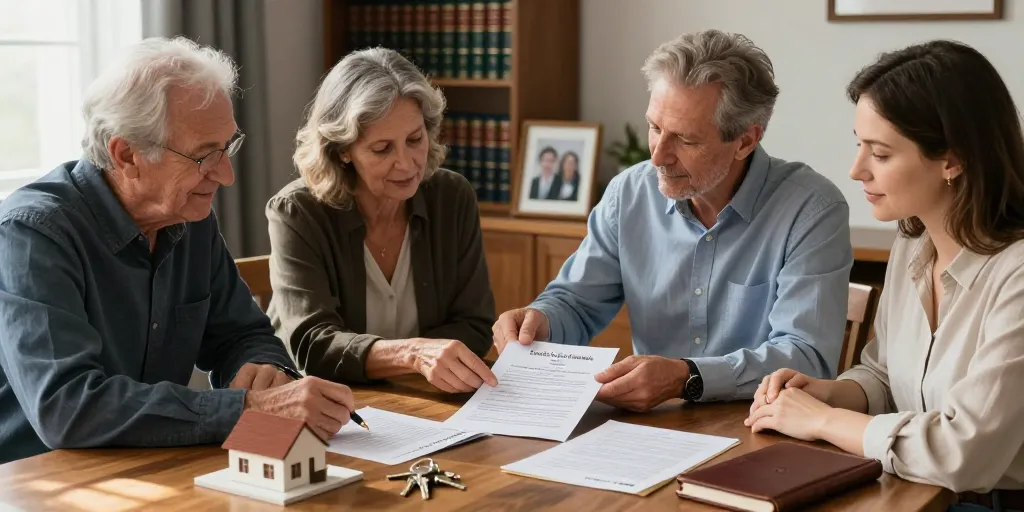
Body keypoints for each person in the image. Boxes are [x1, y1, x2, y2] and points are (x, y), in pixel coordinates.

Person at [0, 37, 358, 464]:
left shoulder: (189, 218)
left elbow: (242, 335)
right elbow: (65, 407)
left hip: (153, 466)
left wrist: (263, 371)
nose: (225, 176)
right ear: (126, 153)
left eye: (227, 148)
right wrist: (246, 409)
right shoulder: (32, 234)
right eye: (205, 156)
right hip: (37, 482)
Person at [492, 29, 853, 412]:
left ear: (746, 141)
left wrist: (688, 377)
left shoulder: (811, 208)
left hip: (760, 427)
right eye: (654, 127)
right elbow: (577, 303)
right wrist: (539, 321)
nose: (659, 156)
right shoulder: (628, 193)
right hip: (652, 428)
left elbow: (806, 356)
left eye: (686, 140)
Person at [746, 41, 1024, 510]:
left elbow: (962, 451)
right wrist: (832, 393)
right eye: (860, 145)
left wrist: (821, 421)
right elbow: (884, 373)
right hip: (915, 493)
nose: (856, 170)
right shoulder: (913, 245)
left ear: (952, 160)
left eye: (880, 153)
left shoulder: (1015, 276)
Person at [266, 48, 497, 394]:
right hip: (318, 402)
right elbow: (311, 346)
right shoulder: (297, 211)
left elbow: (476, 325)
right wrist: (411, 354)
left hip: (419, 398)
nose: (407, 164)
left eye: (415, 140)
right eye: (382, 149)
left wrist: (411, 364)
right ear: (342, 150)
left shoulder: (452, 197)